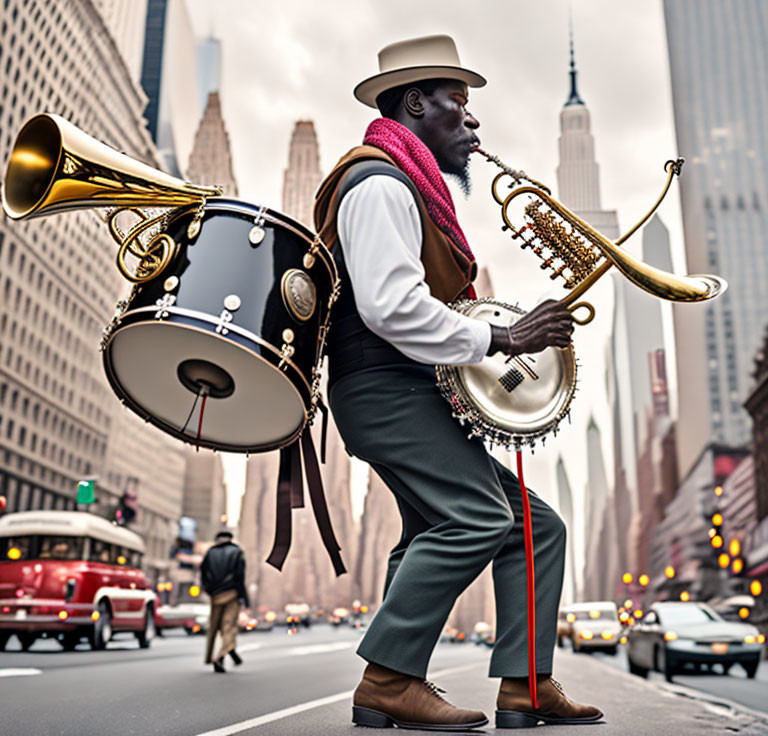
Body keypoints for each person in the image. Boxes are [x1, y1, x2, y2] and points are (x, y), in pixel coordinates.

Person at [314, 35, 603, 730]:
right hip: (384, 390)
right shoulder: (380, 181)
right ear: (415, 103)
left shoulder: (407, 181)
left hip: (405, 393)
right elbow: (390, 307)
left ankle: (526, 686)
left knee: (538, 528)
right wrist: (507, 336)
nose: (472, 121)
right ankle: (388, 679)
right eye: (458, 103)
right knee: (477, 517)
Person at [200, 530, 248, 673]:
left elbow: (203, 574)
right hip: (232, 593)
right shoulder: (237, 552)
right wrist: (243, 597)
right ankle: (220, 657)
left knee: (214, 627)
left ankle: (212, 655)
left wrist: (209, 590)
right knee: (229, 627)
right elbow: (240, 576)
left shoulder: (210, 553)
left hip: (215, 594)